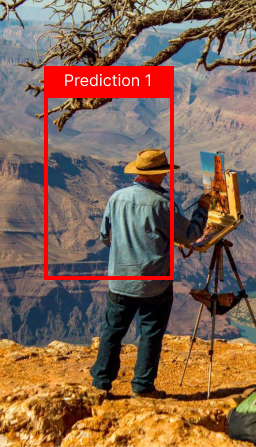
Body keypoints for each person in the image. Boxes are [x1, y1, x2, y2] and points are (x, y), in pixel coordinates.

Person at [91, 149, 211, 398]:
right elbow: (190, 235)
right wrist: (201, 210)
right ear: (161, 174)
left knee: (112, 331)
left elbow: (105, 237)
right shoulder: (162, 205)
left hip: (120, 282)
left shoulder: (116, 198)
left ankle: (101, 383)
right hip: (154, 285)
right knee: (150, 333)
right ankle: (142, 387)